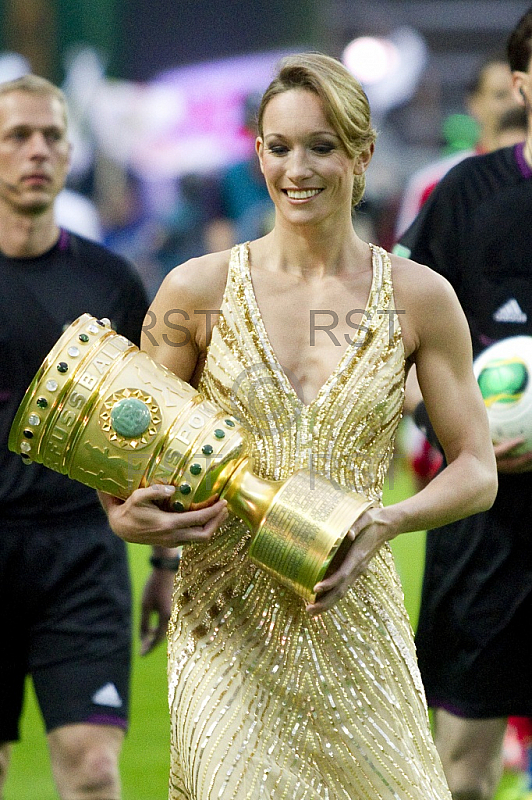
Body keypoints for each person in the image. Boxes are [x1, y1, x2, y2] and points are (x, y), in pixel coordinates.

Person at [100, 53, 497, 800]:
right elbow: (121, 449)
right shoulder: (196, 289)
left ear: (362, 154)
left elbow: (477, 467)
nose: (297, 168)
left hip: (360, 623)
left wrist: (387, 520)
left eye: (320, 146)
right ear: (257, 153)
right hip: (226, 628)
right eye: (278, 147)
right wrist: (128, 519)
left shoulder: (419, 297)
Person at [0, 75, 151, 800]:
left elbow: (153, 429)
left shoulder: (111, 280)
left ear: (71, 152)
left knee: (94, 770)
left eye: (52, 136)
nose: (38, 150)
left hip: (80, 552)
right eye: (17, 136)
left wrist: (169, 565)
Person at [394, 8, 532, 799]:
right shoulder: (465, 193)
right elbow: (395, 338)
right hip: (482, 524)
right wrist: (444, 419)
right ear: (520, 84)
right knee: (462, 770)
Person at [394, 54, 518, 239]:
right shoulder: (435, 184)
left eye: (523, 92)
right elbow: (406, 262)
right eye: (500, 95)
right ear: (474, 104)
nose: (515, 104)